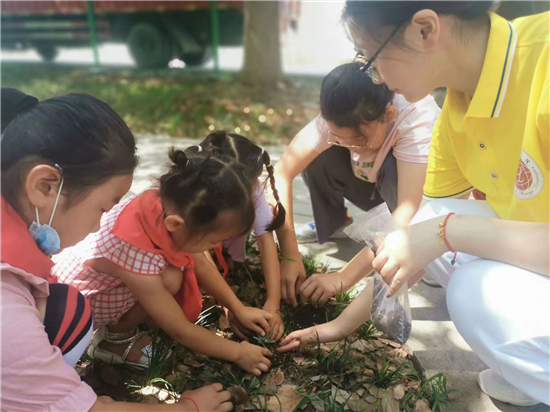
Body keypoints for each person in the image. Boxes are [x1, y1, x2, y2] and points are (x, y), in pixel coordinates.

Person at [339, 1, 549, 406]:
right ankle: (530, 367)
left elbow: (438, 232)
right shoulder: (456, 109)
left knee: (472, 291)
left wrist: (447, 232)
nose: (377, 79)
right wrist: (338, 325)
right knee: (429, 220)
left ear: (424, 29)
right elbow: (418, 236)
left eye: (372, 60)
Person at [1, 88, 233, 411]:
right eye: (102, 208)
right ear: (45, 186)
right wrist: (186, 407)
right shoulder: (6, 308)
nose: (99, 225)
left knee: (67, 309)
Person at [52, 143, 273, 375]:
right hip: (69, 317)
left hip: (83, 285)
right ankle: (113, 341)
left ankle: (117, 330)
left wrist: (237, 308)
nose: (215, 247)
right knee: (168, 279)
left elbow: (200, 263)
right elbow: (179, 329)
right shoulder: (133, 251)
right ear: (175, 225)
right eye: (212, 241)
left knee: (170, 277)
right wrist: (238, 353)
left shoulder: (165, 203)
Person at [274, 62, 441, 307]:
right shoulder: (344, 109)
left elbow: (409, 211)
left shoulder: (417, 120)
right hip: (367, 181)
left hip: (415, 196)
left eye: (359, 138)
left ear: (389, 115)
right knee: (316, 155)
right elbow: (282, 172)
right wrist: (289, 254)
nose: (351, 146)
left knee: (399, 189)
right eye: (340, 137)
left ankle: (425, 255)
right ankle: (336, 222)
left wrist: (343, 277)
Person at [200, 131, 286, 341]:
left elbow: (266, 241)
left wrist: (273, 304)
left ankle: (229, 252)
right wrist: (230, 307)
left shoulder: (252, 188)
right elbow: (199, 256)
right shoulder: (199, 194)